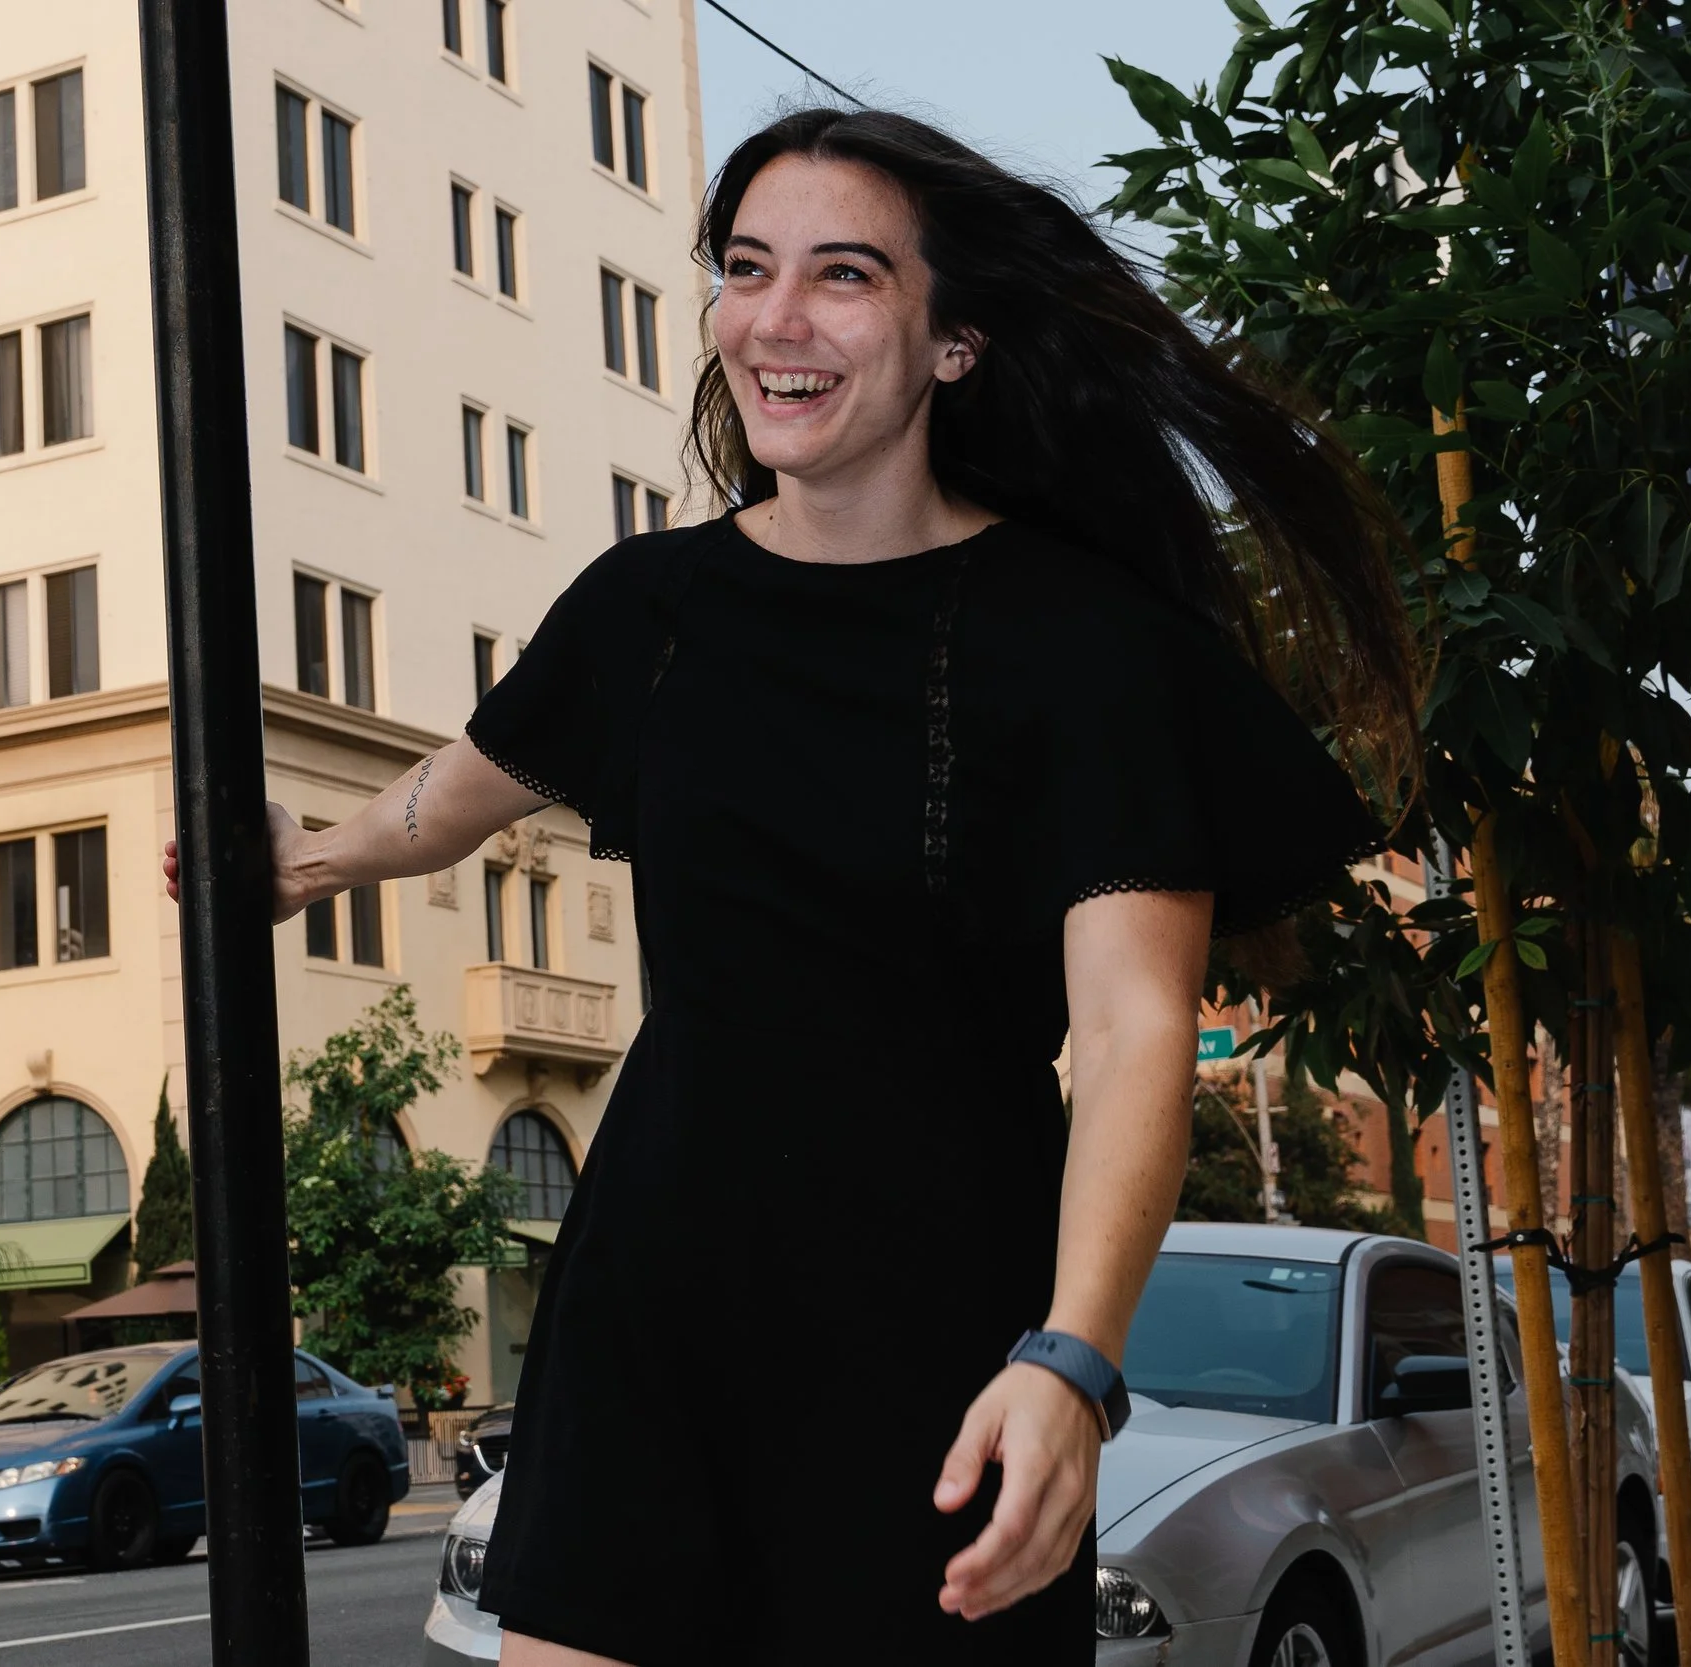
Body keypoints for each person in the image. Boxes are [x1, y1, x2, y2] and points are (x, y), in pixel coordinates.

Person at [166, 108, 1417, 1666]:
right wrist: (307, 859)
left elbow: (1131, 1027)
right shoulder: (652, 608)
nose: (777, 318)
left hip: (941, 1339)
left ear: (954, 340)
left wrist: (1075, 1359)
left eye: (844, 275)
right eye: (747, 269)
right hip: (656, 1303)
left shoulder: (1083, 644)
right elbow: (449, 800)